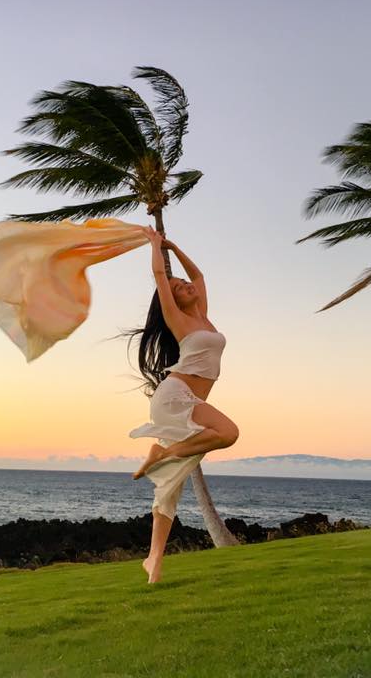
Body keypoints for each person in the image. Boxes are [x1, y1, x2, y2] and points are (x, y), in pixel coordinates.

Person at [129, 227, 239, 584]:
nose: (186, 287)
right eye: (178, 289)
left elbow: (199, 276)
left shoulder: (203, 315)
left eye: (184, 285)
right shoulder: (178, 320)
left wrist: (175, 248)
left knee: (170, 484)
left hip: (187, 399)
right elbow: (160, 276)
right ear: (173, 302)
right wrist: (154, 245)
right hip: (175, 397)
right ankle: (163, 452)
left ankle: (153, 560)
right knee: (228, 432)